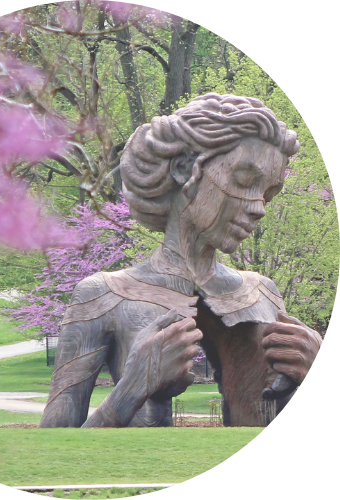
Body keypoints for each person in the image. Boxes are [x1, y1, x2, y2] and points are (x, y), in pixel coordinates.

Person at [39, 93, 323, 428]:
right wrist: (133, 387)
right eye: (244, 180)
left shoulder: (263, 293)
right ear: (183, 168)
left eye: (268, 193)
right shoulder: (104, 295)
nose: (259, 207)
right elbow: (51, 446)